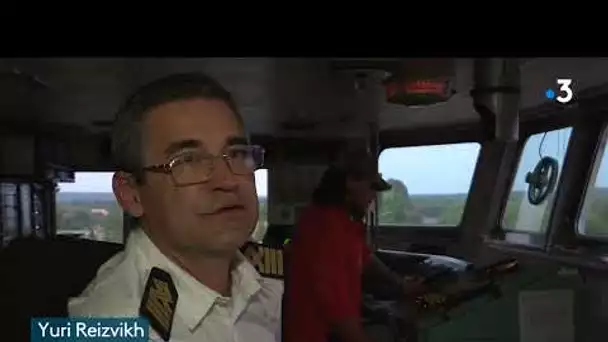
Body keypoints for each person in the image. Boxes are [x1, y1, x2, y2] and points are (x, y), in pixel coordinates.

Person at [68, 73, 283, 341]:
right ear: (131, 194)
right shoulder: (110, 324)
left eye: (237, 153)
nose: (228, 180)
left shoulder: (266, 279)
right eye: (188, 160)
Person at [283, 152, 425, 342]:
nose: (372, 197)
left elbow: (365, 257)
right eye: (371, 188)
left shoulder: (343, 224)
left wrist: (402, 285)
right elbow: (335, 306)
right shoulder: (327, 229)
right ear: (351, 183)